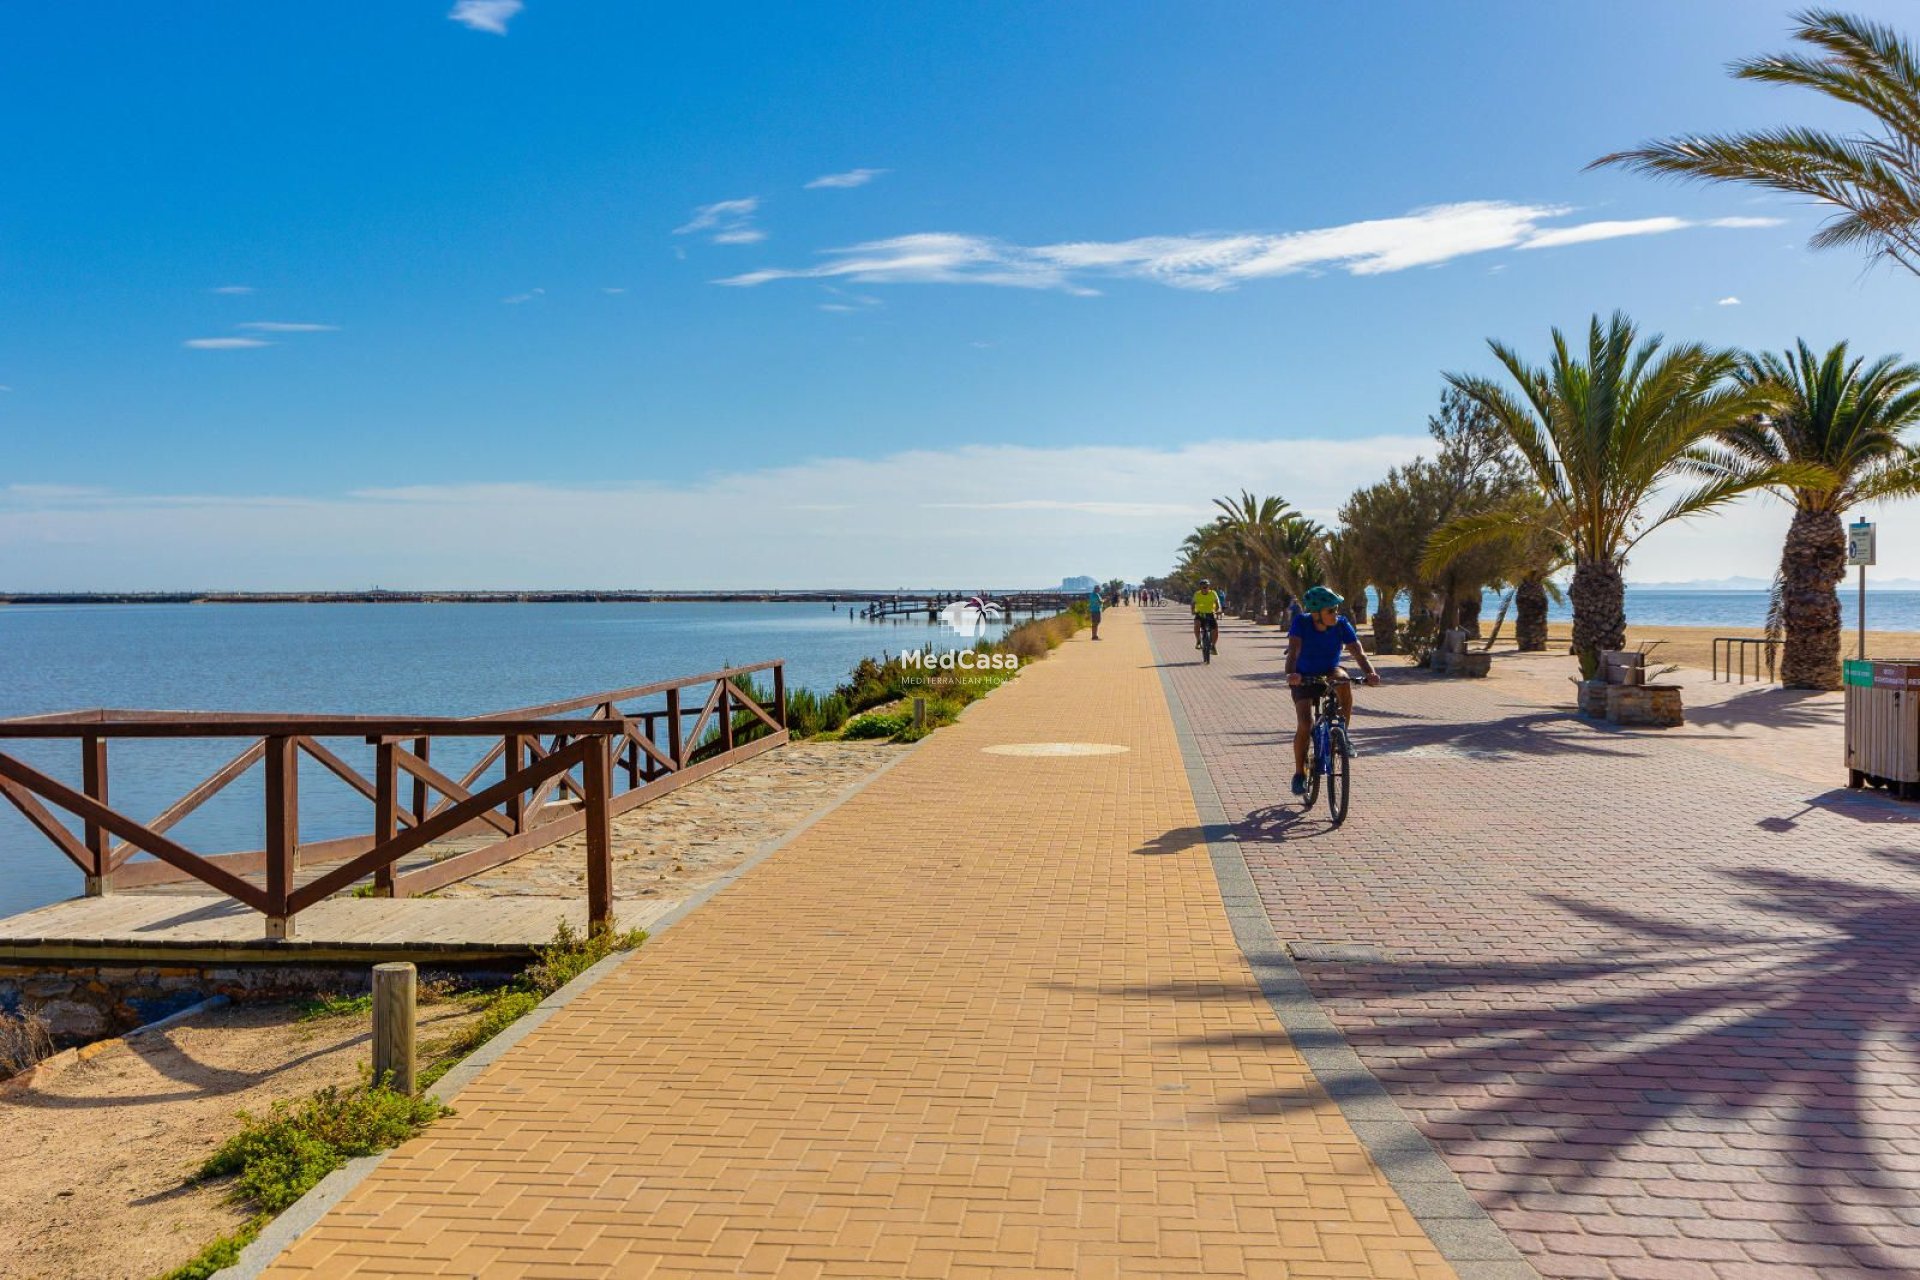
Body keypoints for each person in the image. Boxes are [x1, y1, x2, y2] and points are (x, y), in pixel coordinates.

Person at [1285, 585, 1380, 795]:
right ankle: (1299, 774)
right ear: (1316, 613)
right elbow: (1293, 652)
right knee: (1305, 723)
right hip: (1303, 677)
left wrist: (1370, 673)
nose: (1335, 614)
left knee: (1343, 680)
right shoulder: (1301, 623)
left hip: (1329, 671)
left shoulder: (1341, 624)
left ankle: (1342, 734)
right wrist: (1292, 674)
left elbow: (1358, 653)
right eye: (1331, 610)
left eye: (1336, 609)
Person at [1190, 579, 1222, 651]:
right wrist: (1193, 611)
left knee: (1215, 629)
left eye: (1206, 587)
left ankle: (1213, 646)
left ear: (1209, 587)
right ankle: (1198, 641)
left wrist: (1218, 610)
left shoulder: (1213, 593)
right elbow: (1193, 603)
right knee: (1197, 624)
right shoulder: (1197, 594)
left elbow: (1218, 603)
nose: (1205, 588)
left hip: (1210, 613)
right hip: (1200, 613)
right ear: (1200, 588)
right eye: (1203, 587)